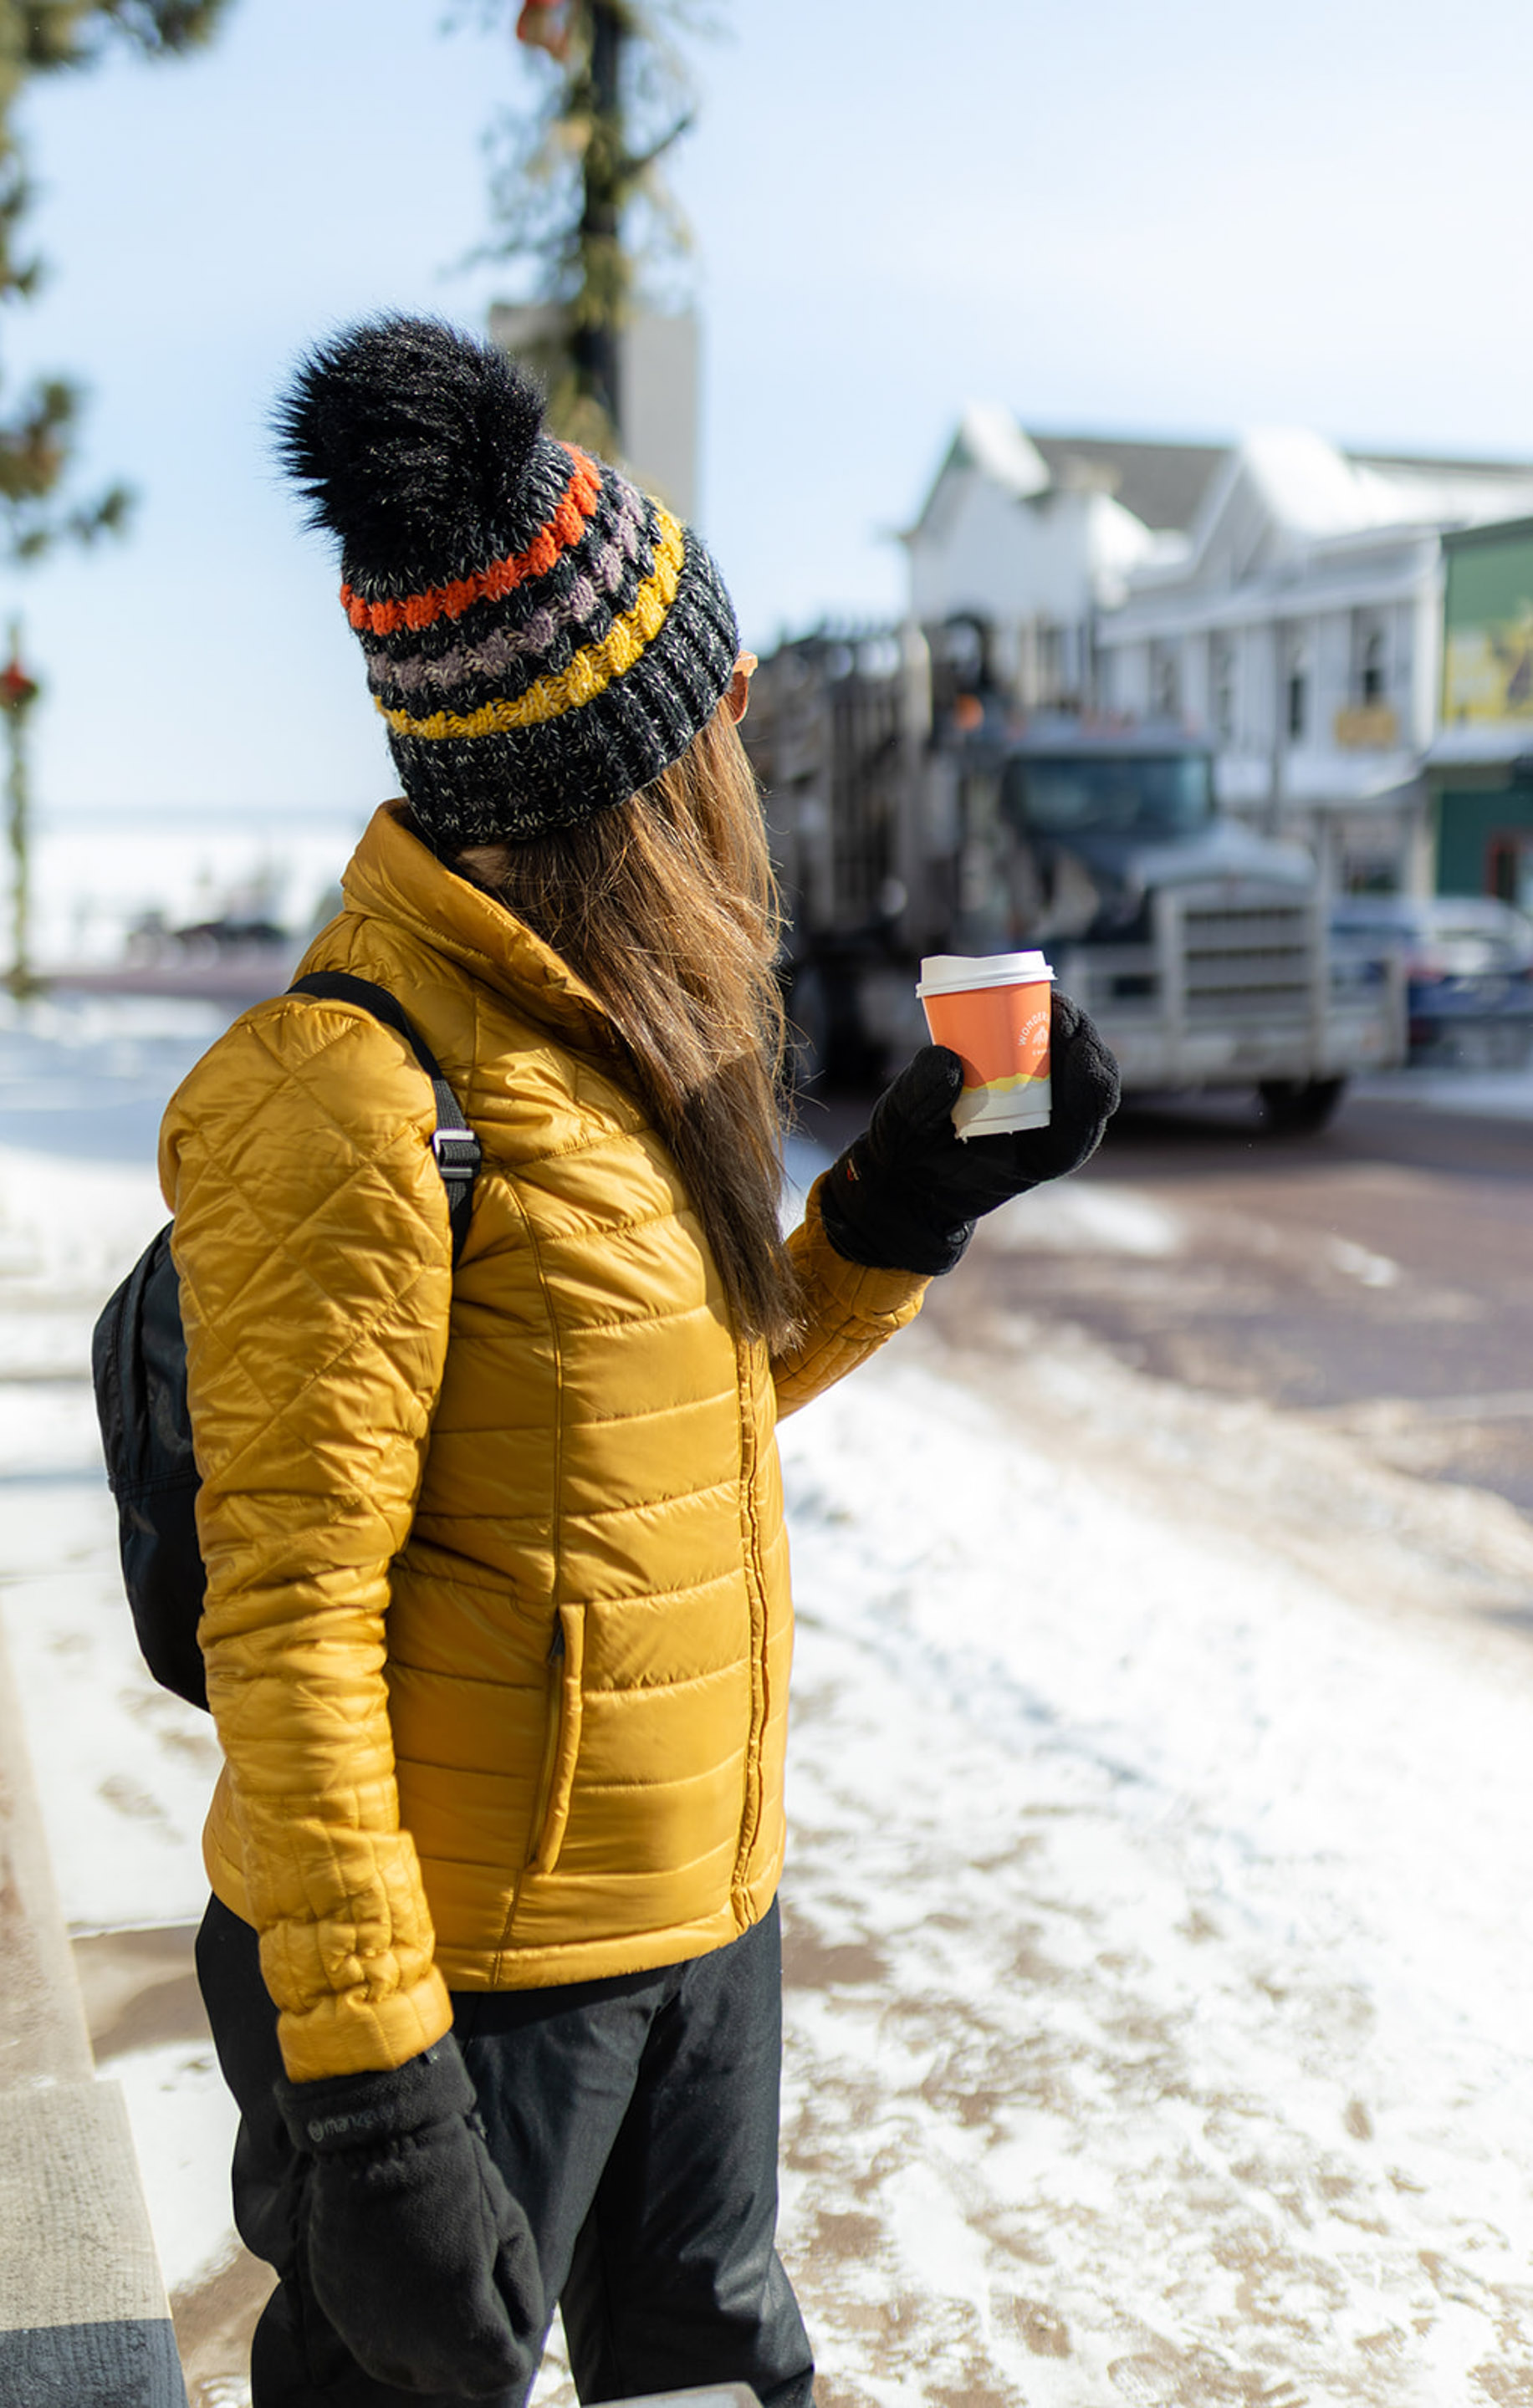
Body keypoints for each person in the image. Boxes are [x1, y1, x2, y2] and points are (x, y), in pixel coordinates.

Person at [163, 317, 1120, 2408]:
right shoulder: (348, 1089)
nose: (747, 765)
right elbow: (294, 1627)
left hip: (698, 1918)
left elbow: (645, 1450)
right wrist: (377, 2103)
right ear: (625, 776)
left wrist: (890, 1215)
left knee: (711, 2376)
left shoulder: (609, 1048)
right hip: (474, 1988)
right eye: (719, 721)